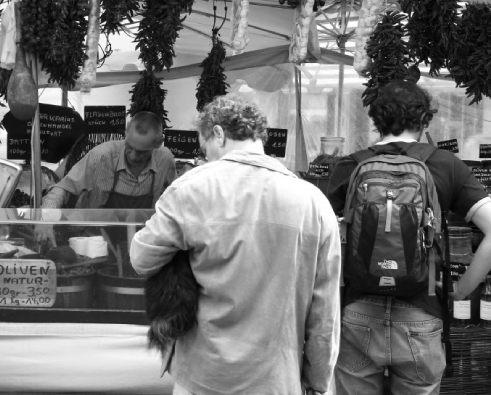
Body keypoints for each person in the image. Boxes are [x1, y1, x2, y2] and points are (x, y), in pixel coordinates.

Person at [130, 96, 341, 395]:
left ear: (218, 134)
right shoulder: (314, 202)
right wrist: (318, 381)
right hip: (276, 378)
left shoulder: (190, 188)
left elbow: (141, 258)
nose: (206, 158)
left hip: (203, 374)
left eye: (205, 148)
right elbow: (325, 313)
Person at [328, 81, 491, 394]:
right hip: (422, 312)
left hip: (358, 311)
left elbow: (323, 241)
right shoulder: (446, 165)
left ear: (376, 119)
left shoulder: (350, 165)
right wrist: (460, 291)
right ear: (424, 120)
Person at [35, 111, 177, 246]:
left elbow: (175, 200)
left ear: (159, 142)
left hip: (142, 243)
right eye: (129, 146)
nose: (133, 156)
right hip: (95, 241)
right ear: (126, 131)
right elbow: (62, 189)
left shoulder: (165, 160)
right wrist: (45, 219)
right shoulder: (101, 156)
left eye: (142, 152)